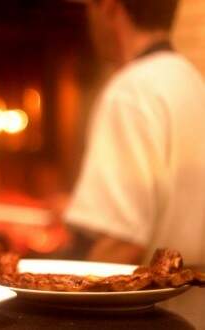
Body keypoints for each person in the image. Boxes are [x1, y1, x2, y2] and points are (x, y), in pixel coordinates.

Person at [64, 0, 205, 264]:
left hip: (151, 303)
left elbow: (122, 242)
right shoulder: (193, 81)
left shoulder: (130, 92)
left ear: (109, 7)